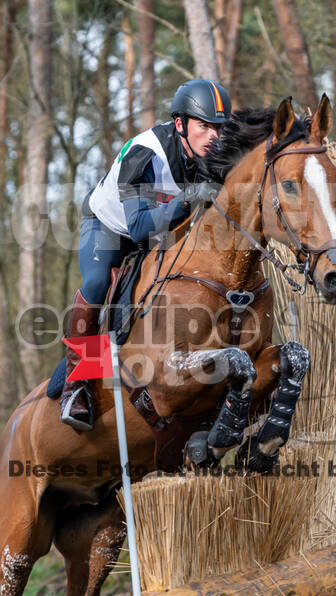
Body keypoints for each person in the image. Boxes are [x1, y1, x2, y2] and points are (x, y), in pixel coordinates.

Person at [60, 79, 232, 431]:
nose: (213, 136)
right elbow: (139, 228)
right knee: (95, 285)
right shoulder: (146, 152)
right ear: (181, 124)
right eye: (204, 127)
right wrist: (189, 198)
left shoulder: (210, 153)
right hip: (110, 228)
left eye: (218, 128)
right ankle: (75, 385)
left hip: (159, 231)